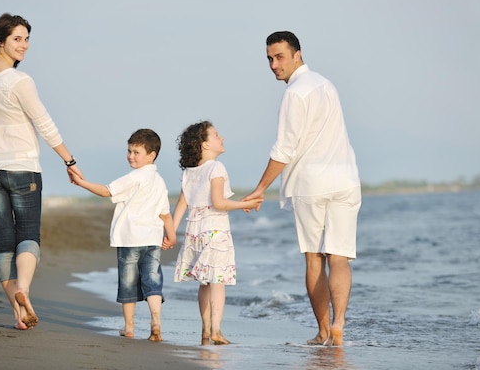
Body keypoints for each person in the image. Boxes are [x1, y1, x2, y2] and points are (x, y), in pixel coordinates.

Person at [0, 13, 83, 330]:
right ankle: (24, 290)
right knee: (27, 236)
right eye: (17, 38)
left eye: (27, 39)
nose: (24, 45)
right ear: (0, 40)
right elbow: (44, 123)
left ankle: (17, 313)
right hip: (22, 169)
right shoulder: (19, 81)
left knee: (3, 244)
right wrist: (69, 161)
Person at [243, 31, 361, 346]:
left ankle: (324, 331)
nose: (273, 64)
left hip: (312, 183)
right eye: (269, 58)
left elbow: (285, 148)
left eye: (279, 56)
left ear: (297, 54)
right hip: (346, 180)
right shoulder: (326, 84)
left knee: (314, 260)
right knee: (339, 257)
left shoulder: (295, 93)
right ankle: (339, 324)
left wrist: (260, 188)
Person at [68, 128, 176, 341]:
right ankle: (156, 323)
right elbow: (165, 215)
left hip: (130, 239)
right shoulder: (160, 181)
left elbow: (107, 191)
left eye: (136, 152)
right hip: (153, 240)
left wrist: (81, 183)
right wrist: (171, 236)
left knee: (128, 281)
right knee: (152, 280)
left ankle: (129, 327)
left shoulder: (134, 177)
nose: (130, 156)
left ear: (151, 155)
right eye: (129, 151)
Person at [172, 121, 263, 345]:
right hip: (215, 229)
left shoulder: (190, 172)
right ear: (204, 144)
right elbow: (219, 203)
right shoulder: (216, 168)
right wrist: (244, 204)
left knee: (204, 283)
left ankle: (205, 330)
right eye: (216, 135)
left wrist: (171, 232)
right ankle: (216, 330)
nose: (221, 138)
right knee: (217, 281)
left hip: (194, 230)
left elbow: (182, 204)